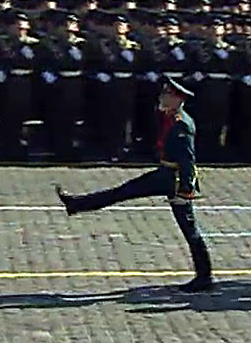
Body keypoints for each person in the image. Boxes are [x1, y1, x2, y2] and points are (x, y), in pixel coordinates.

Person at [55, 78, 214, 293]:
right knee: (123, 191)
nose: (161, 98)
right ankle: (76, 204)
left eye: (166, 95)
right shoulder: (171, 118)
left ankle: (204, 277)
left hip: (174, 180)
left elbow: (188, 160)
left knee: (190, 230)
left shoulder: (181, 124)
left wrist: (186, 191)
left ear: (176, 99)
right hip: (165, 173)